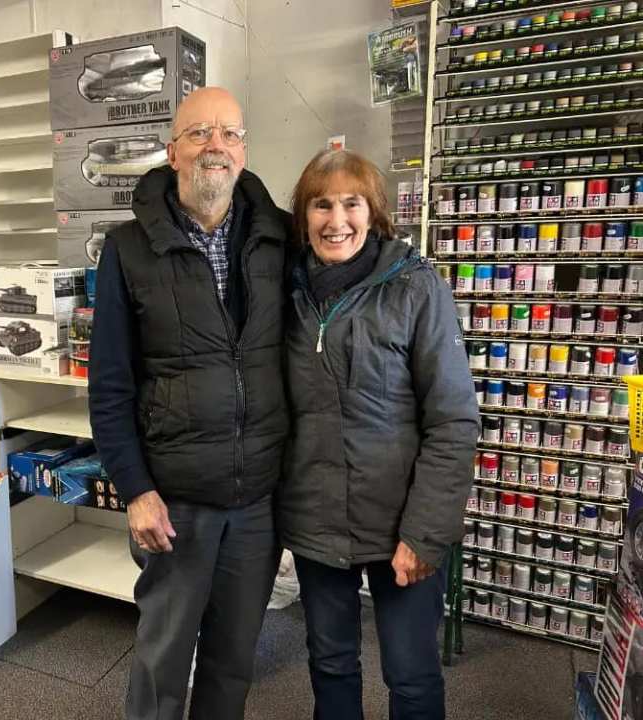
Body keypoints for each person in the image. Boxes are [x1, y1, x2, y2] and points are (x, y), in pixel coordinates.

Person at [88, 86, 290, 720]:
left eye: (229, 134)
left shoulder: (277, 237)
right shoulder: (126, 248)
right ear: (172, 150)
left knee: (234, 659)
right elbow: (110, 384)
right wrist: (135, 488)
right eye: (200, 134)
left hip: (257, 499)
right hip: (175, 501)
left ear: (245, 151)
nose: (216, 147)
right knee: (162, 660)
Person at [277, 149, 479, 720]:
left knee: (411, 676)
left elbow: (454, 420)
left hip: (401, 525)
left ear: (375, 212)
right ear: (303, 217)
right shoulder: (288, 296)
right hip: (317, 523)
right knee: (331, 664)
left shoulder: (416, 288)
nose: (335, 220)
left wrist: (425, 532)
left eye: (351, 203)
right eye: (321, 205)